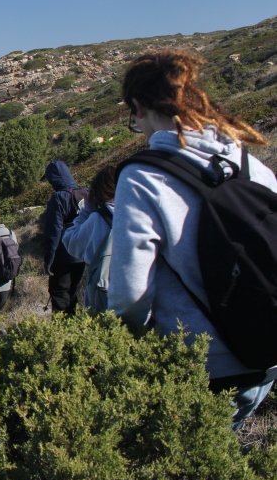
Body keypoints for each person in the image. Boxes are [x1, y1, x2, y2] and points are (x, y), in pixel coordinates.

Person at [108, 48, 277, 431]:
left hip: (203, 364)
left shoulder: (143, 177)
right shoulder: (253, 165)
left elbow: (130, 295)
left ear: (138, 106)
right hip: (265, 354)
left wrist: (113, 352)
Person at [62, 165, 116, 308]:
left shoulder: (99, 218)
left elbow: (70, 242)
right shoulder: (140, 214)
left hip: (106, 289)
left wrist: (87, 210)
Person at [43, 161, 89, 313]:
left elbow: (54, 230)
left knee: (59, 292)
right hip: (82, 252)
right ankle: (73, 324)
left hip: (63, 255)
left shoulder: (59, 197)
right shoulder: (85, 192)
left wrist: (49, 259)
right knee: (73, 290)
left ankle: (62, 328)